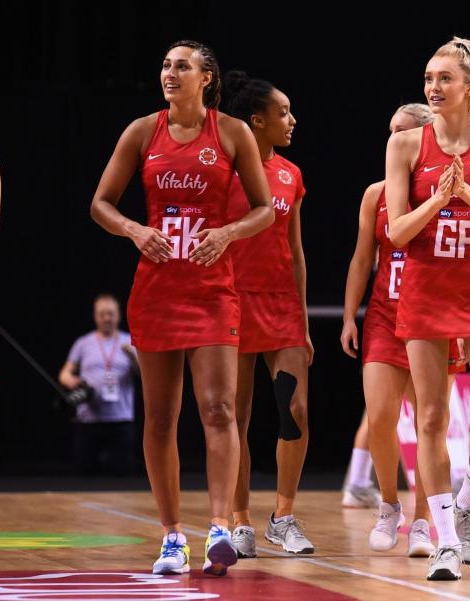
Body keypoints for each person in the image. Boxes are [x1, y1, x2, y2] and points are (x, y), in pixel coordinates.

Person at [89, 40, 274, 575]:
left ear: (207, 78)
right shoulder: (142, 131)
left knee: (218, 410)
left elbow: (262, 210)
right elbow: (100, 204)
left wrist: (228, 232)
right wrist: (134, 229)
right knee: (159, 418)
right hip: (156, 290)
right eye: (166, 66)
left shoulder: (232, 133)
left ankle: (219, 526)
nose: (170, 73)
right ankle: (171, 535)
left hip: (213, 290)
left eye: (182, 66)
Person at [385, 37, 470, 580]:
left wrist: (468, 194)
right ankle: (443, 539)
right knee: (433, 419)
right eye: (427, 78)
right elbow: (396, 232)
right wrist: (438, 201)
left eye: (443, 79)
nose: (433, 88)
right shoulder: (406, 146)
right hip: (427, 289)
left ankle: (468, 502)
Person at [341, 103, 443, 558]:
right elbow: (363, 258)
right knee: (380, 416)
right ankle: (389, 506)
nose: (393, 140)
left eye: (402, 132)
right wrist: (349, 316)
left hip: (432, 317)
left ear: (425, 137)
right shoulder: (375, 194)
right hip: (385, 314)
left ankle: (423, 521)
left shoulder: (447, 190)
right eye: (390, 132)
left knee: (428, 424)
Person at [222, 71, 314, 557]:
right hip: (232, 303)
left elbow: (295, 251)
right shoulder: (223, 170)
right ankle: (240, 521)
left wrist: (301, 317)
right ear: (256, 121)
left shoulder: (290, 174)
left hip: (281, 308)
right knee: (235, 417)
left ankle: (284, 515)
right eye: (283, 113)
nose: (292, 120)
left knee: (294, 410)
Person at [59, 294, 139, 475]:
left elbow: (145, 375)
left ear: (118, 315)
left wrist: (133, 356)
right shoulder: (83, 343)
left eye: (110, 314)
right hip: (88, 419)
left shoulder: (130, 341)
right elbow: (64, 373)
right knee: (85, 473)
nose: (106, 318)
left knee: (122, 473)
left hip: (121, 419)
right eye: (102, 314)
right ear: (95, 316)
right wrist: (70, 380)